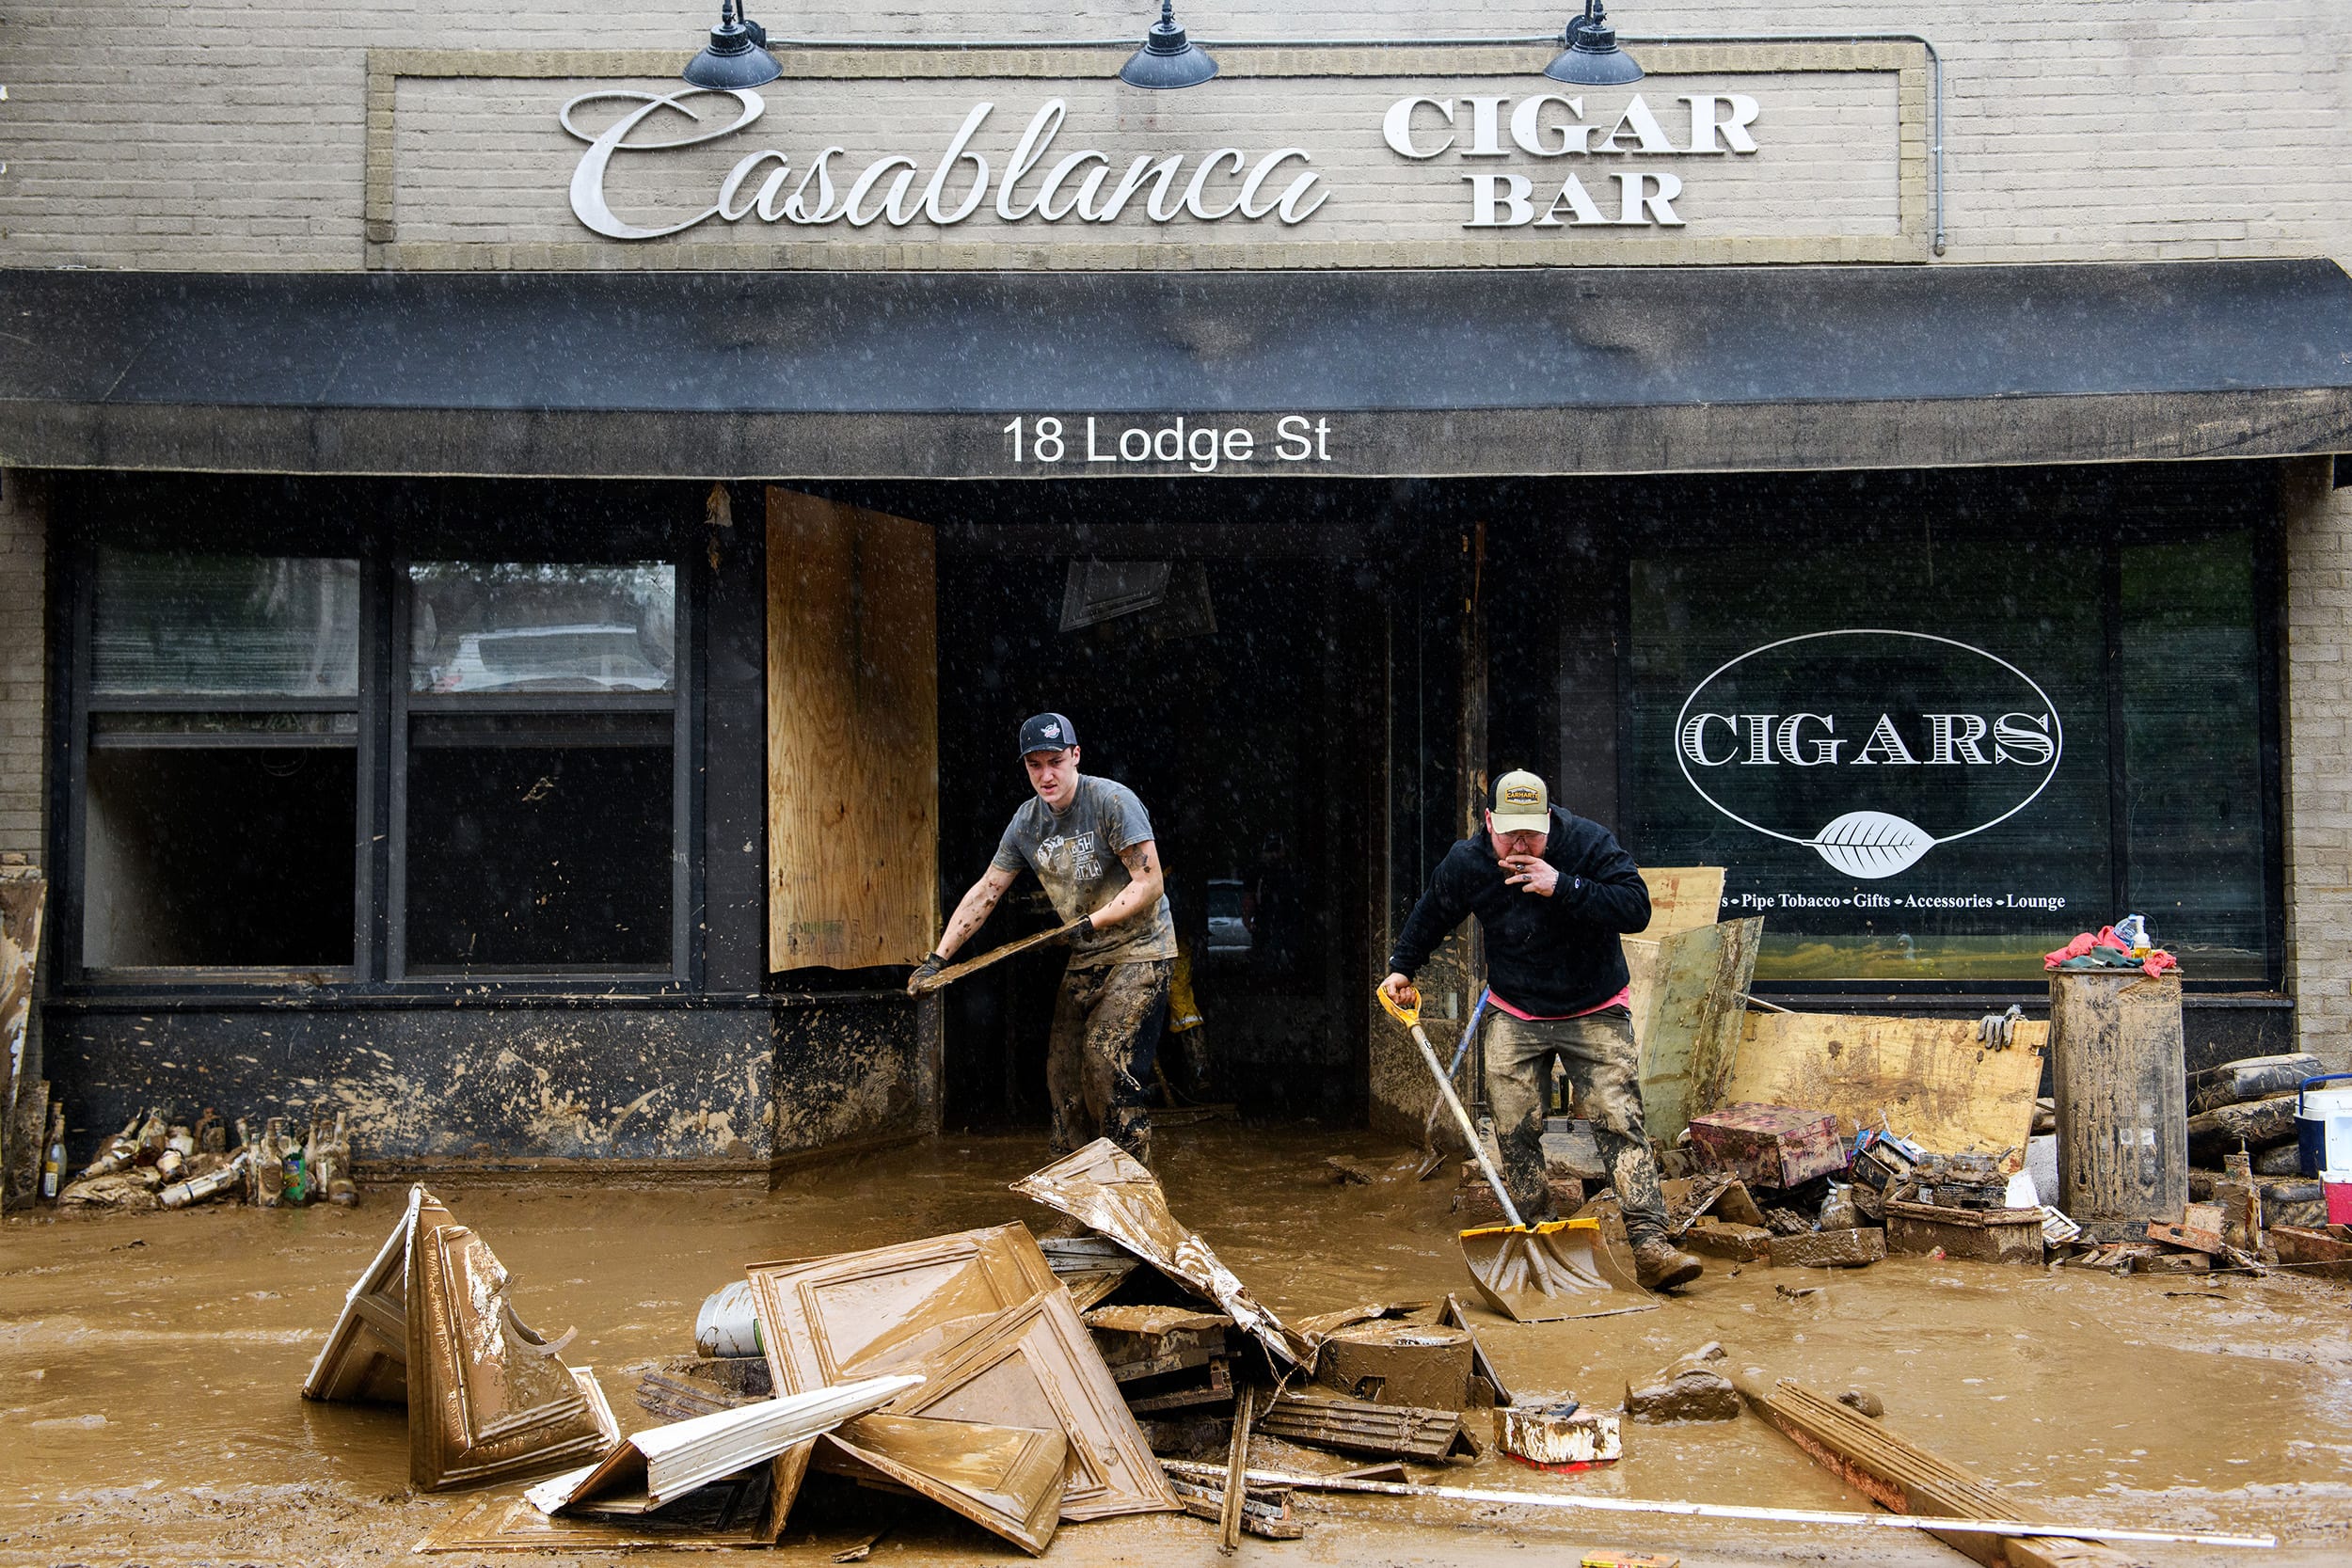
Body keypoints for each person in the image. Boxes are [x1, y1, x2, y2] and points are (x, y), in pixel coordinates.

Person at [1380, 769, 1703, 1291]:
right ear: (1489, 822)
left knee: (1619, 1123)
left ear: (1549, 821)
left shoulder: (1587, 843)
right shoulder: (1469, 861)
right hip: (1516, 1010)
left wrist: (1564, 885)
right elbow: (1434, 910)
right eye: (1510, 833)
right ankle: (1541, 1234)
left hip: (1593, 1006)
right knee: (1514, 1128)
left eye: (1532, 831)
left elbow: (1636, 908)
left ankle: (1650, 1244)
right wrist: (1402, 966)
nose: (1522, 843)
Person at [913, 712, 1176, 1164]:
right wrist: (937, 959)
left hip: (1140, 952)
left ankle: (1131, 1193)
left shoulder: (1113, 802)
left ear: (1076, 756)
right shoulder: (1026, 823)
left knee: (1103, 1062)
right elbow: (987, 891)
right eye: (1035, 765)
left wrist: (1090, 923)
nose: (1046, 775)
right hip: (1085, 958)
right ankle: (1077, 1198)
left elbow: (1150, 884)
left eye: (1055, 761)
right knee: (1062, 1077)